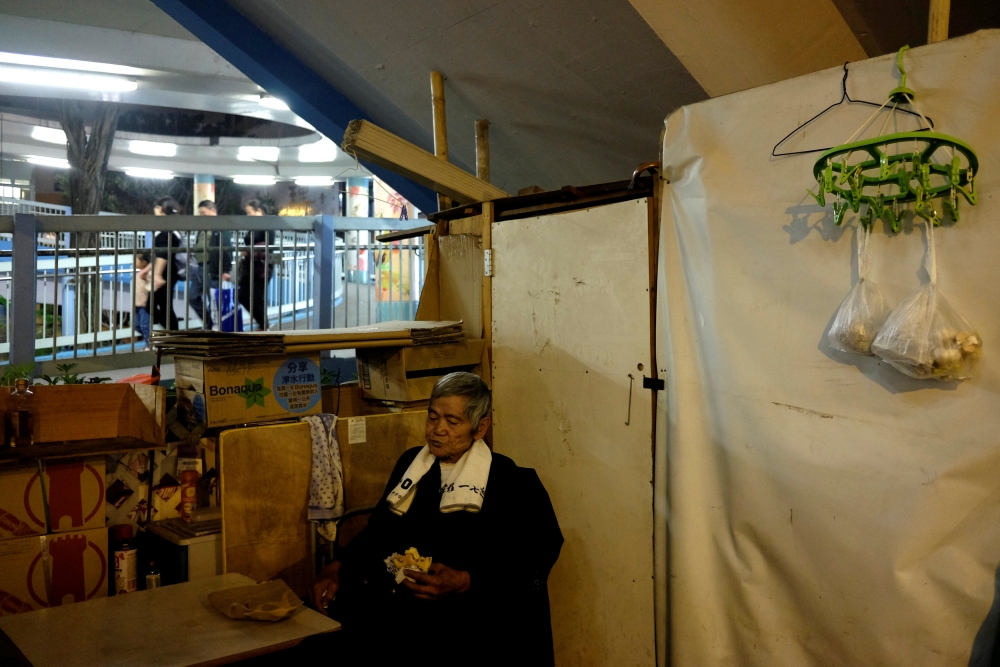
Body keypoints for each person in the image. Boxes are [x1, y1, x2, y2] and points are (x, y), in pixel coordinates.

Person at [310, 372, 564, 665]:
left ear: (480, 427)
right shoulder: (412, 464)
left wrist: (468, 579)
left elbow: (537, 552)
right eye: (433, 418)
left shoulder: (512, 482)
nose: (437, 430)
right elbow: (380, 531)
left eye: (452, 422)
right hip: (404, 607)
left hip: (473, 617)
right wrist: (336, 568)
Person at [237, 199, 276, 331]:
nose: (248, 216)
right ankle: (263, 324)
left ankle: (264, 326)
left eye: (249, 212)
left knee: (257, 297)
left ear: (259, 211)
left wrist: (249, 250)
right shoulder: (253, 227)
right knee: (242, 296)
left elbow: (269, 246)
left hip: (262, 267)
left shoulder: (268, 225)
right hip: (249, 266)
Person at [194, 200, 232, 330]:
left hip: (212, 268)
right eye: (200, 214)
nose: (202, 216)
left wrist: (226, 270)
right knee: (192, 296)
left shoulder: (221, 227)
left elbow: (227, 248)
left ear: (213, 211)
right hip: (199, 267)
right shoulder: (203, 227)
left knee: (213, 300)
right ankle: (209, 323)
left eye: (204, 213)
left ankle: (212, 327)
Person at [151, 197, 182, 331]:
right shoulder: (173, 229)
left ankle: (175, 336)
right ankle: (174, 336)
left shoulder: (166, 232)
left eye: (158, 207)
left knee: (152, 306)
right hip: (168, 273)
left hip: (165, 274)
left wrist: (157, 275)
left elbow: (163, 254)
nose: (155, 210)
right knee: (164, 307)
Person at [133, 251, 152, 347]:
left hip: (144, 306)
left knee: (145, 325)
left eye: (136, 260)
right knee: (137, 326)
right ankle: (150, 339)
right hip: (137, 305)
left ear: (144, 262)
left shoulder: (147, 274)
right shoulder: (139, 273)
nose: (134, 262)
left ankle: (149, 344)